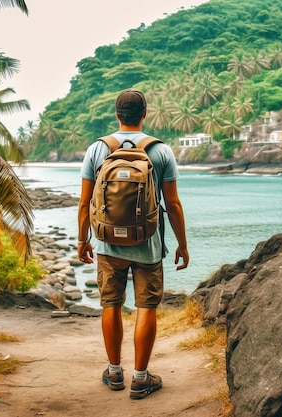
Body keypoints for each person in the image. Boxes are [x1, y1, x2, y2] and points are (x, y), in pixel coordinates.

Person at [77, 88, 189, 400]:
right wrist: (182, 244)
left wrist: (82, 239)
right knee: (146, 307)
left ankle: (114, 372)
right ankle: (141, 378)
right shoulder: (160, 151)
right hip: (148, 245)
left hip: (108, 244)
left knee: (110, 305)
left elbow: (85, 202)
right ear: (144, 114)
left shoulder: (97, 149)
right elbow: (174, 204)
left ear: (117, 115)